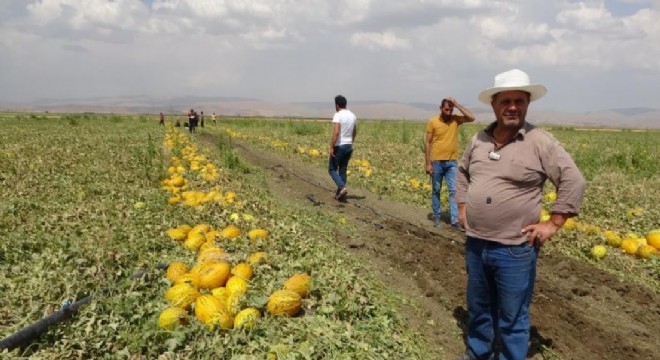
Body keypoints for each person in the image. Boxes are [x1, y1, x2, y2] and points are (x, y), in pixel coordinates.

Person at [454, 69, 586, 360]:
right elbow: (462, 173)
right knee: (479, 308)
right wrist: (462, 207)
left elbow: (573, 180)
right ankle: (478, 353)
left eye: (518, 101)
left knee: (513, 316)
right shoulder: (479, 140)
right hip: (476, 243)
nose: (512, 107)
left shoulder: (539, 141)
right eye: (505, 101)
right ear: (494, 105)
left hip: (515, 248)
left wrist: (554, 222)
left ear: (527, 104)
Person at [425, 97, 474, 230]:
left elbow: (471, 117)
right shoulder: (432, 122)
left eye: (451, 109)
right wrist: (428, 163)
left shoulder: (455, 119)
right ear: (441, 108)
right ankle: (436, 216)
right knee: (436, 190)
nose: (448, 112)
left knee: (454, 191)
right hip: (436, 162)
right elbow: (428, 142)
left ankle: (454, 221)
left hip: (452, 162)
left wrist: (457, 104)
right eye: (446, 109)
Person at [328, 95, 356, 201]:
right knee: (343, 170)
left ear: (337, 105)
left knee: (332, 169)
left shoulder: (338, 115)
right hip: (349, 145)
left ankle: (341, 187)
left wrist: (331, 147)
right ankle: (341, 194)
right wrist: (350, 142)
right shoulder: (352, 116)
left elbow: (336, 132)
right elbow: (354, 132)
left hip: (339, 146)